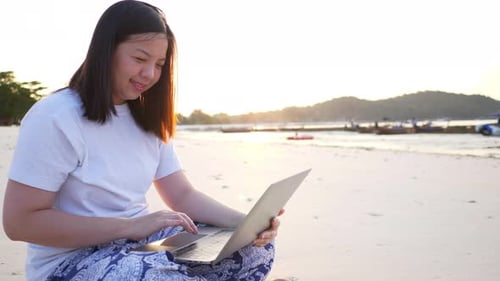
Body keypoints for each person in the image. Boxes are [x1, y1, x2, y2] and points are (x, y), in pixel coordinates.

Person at [2, 1, 285, 280]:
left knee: (254, 250)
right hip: (72, 261)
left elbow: (182, 196)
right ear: (106, 51)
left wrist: (247, 224)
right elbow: (19, 223)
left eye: (159, 64)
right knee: (160, 277)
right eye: (139, 59)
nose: (149, 74)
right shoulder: (56, 117)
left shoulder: (147, 119)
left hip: (141, 246)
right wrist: (128, 226)